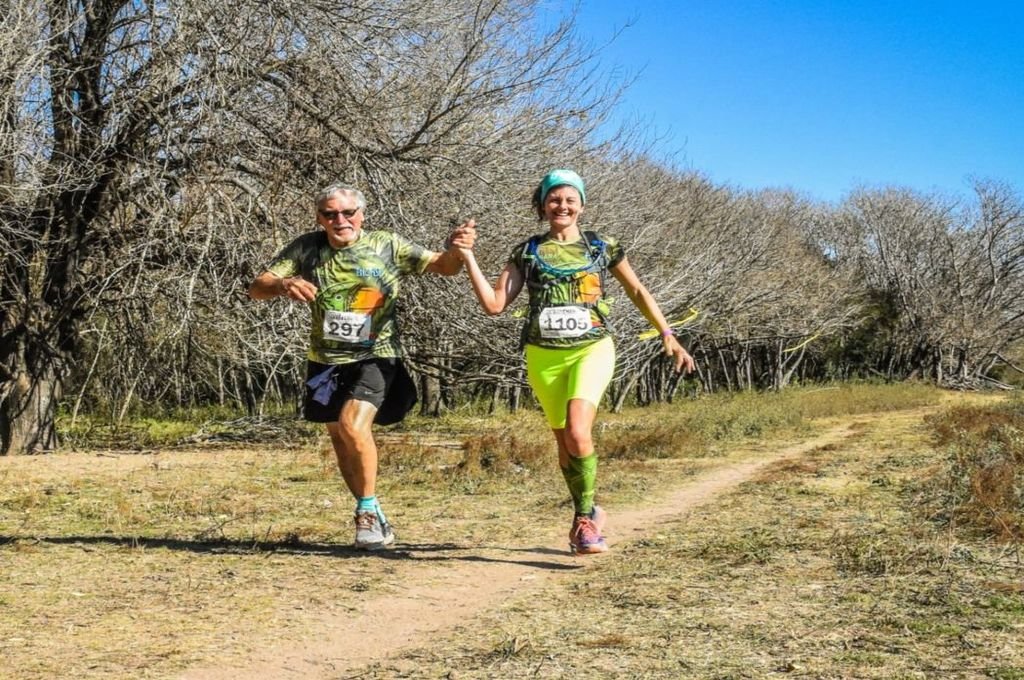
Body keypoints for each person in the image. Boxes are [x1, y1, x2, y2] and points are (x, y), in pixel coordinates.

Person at [457, 169, 695, 554]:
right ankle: (586, 514)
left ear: (582, 205)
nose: (562, 206)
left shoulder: (602, 247)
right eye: (554, 199)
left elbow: (636, 289)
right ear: (542, 206)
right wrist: (467, 257)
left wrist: (668, 335)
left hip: (592, 348)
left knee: (579, 431)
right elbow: (495, 305)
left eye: (570, 199)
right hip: (544, 356)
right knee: (564, 442)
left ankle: (585, 521)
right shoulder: (526, 251)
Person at [249, 183, 476, 550]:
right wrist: (284, 284)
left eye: (348, 213)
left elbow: (443, 266)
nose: (340, 220)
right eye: (330, 214)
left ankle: (366, 514)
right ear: (320, 218)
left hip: (377, 355)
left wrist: (458, 249)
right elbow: (258, 286)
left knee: (353, 426)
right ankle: (370, 510)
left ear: (362, 215)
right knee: (340, 438)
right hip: (324, 361)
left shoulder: (386, 244)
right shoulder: (307, 248)